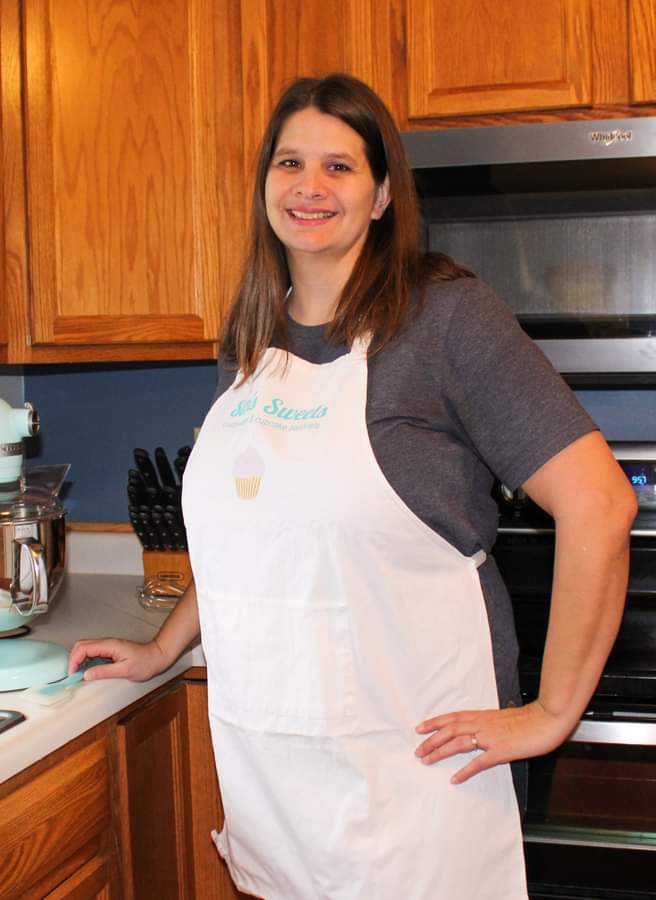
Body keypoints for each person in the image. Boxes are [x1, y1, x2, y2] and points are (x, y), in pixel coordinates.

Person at [69, 74, 637, 899]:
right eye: (290, 162)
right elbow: (251, 538)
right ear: (265, 183)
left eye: (339, 167)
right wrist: (165, 646)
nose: (309, 186)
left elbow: (601, 503)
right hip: (279, 774)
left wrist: (552, 713)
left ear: (379, 197)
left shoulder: (444, 320)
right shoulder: (250, 334)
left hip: (418, 763)